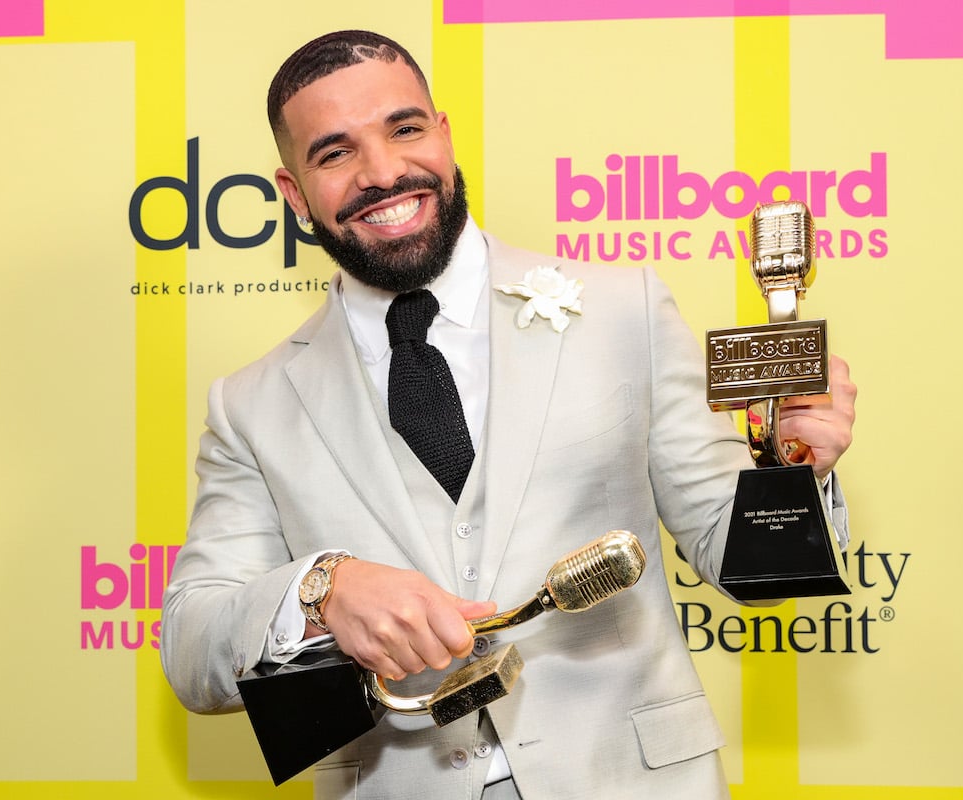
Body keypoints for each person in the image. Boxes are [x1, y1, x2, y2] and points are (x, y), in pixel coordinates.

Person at [160, 29, 857, 800]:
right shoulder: (251, 405)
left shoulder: (625, 311)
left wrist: (795, 472)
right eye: (335, 153)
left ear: (444, 132)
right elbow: (194, 650)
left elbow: (748, 568)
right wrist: (322, 586)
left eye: (405, 128)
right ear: (294, 194)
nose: (384, 172)